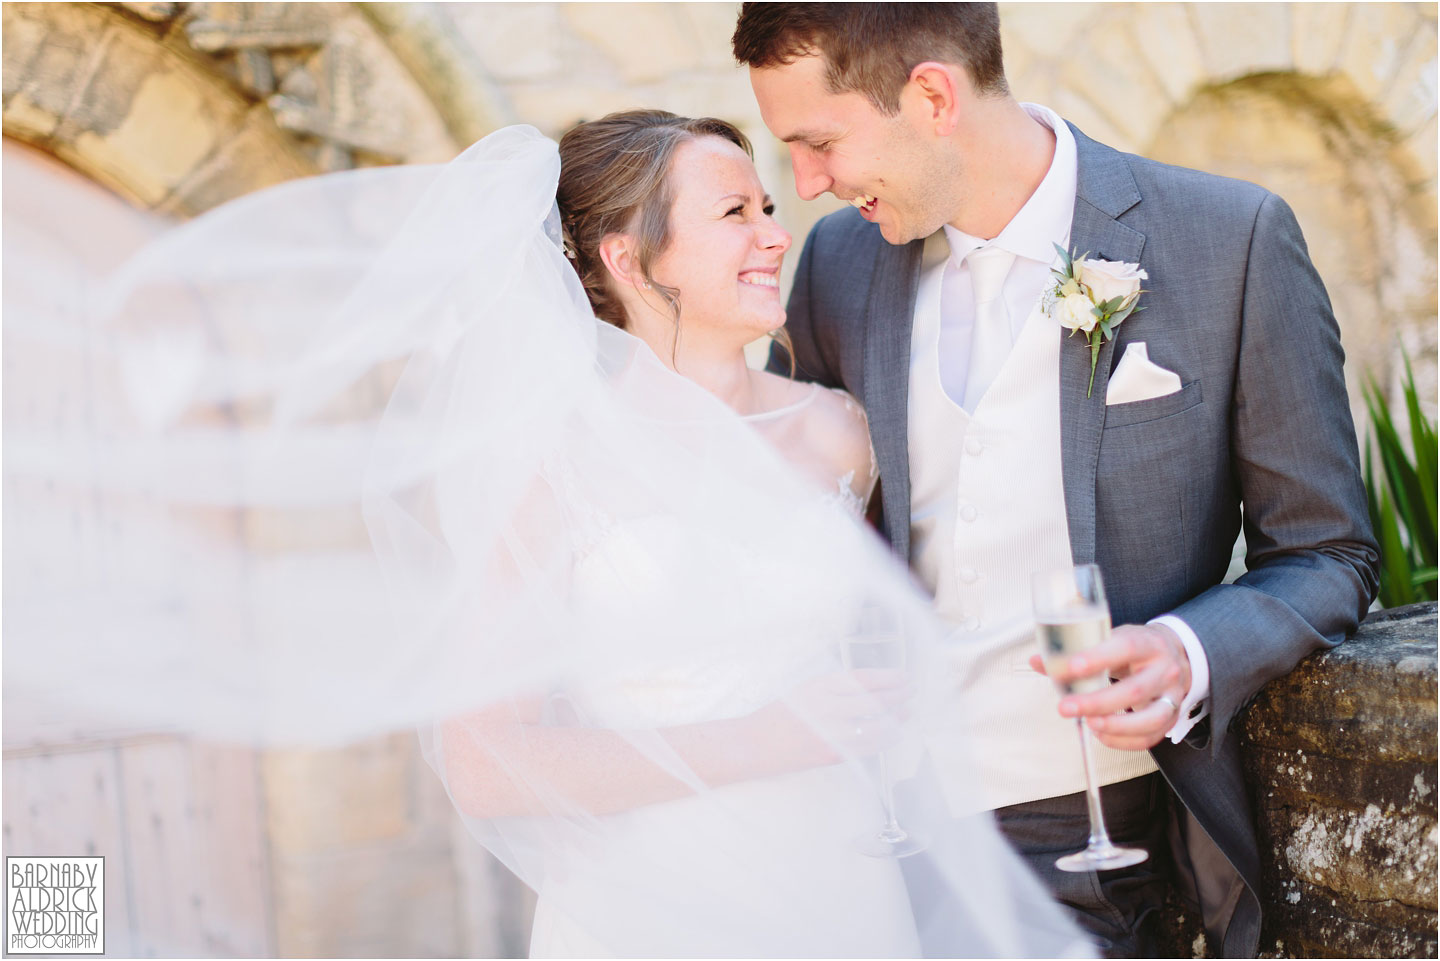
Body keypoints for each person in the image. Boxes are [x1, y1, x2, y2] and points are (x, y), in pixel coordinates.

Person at [4, 114, 1088, 957]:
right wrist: (774, 736)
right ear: (628, 257)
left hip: (848, 876)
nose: (775, 234)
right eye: (733, 215)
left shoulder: (838, 433)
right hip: (655, 899)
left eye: (767, 204)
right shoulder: (553, 463)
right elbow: (485, 760)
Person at [732, 4, 1379, 958]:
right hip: (874, 837)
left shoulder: (1229, 240)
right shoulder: (839, 266)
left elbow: (1329, 551)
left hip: (1103, 842)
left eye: (820, 142)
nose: (809, 185)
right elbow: (788, 519)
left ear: (932, 96)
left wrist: (1186, 651)